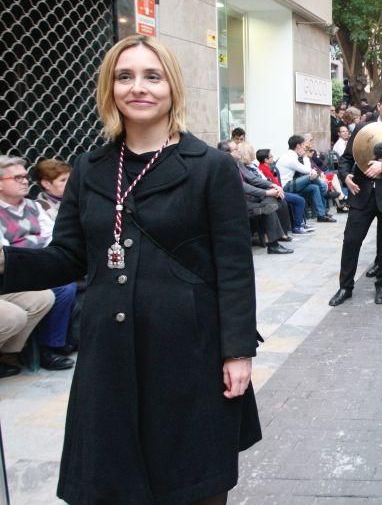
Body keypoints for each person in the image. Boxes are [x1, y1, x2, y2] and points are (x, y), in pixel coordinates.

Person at [0, 35, 260, 504]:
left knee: (189, 486)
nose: (138, 87)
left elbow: (235, 268)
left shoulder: (211, 167)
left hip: (188, 352)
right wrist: (5, 262)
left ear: (172, 88)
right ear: (110, 88)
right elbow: (69, 257)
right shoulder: (89, 167)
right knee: (110, 485)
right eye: (125, 76)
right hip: (109, 355)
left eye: (151, 76)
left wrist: (237, 352)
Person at [329, 90, 382, 306]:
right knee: (351, 241)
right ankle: (345, 287)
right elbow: (346, 159)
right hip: (361, 194)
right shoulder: (363, 129)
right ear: (379, 106)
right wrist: (345, 178)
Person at [0, 156, 77, 370]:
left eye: (25, 177)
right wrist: (38, 251)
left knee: (65, 285)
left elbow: (53, 237)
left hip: (39, 265)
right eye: (17, 177)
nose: (25, 181)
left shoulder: (34, 207)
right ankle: (44, 350)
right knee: (60, 288)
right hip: (12, 274)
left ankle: (44, 347)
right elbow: (5, 253)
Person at [276, 135, 336, 223]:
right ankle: (326, 192)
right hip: (285, 187)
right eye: (303, 145)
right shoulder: (290, 158)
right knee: (312, 177)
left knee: (315, 188)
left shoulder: (290, 155)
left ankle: (321, 215)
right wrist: (305, 157)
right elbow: (307, 171)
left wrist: (311, 171)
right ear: (298, 146)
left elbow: (307, 170)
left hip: (292, 184)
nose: (304, 148)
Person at [255, 148, 313, 234]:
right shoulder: (263, 169)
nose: (273, 157)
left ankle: (300, 223)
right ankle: (297, 226)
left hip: (279, 191)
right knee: (300, 200)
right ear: (266, 160)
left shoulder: (266, 167)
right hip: (276, 194)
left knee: (298, 198)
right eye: (271, 156)